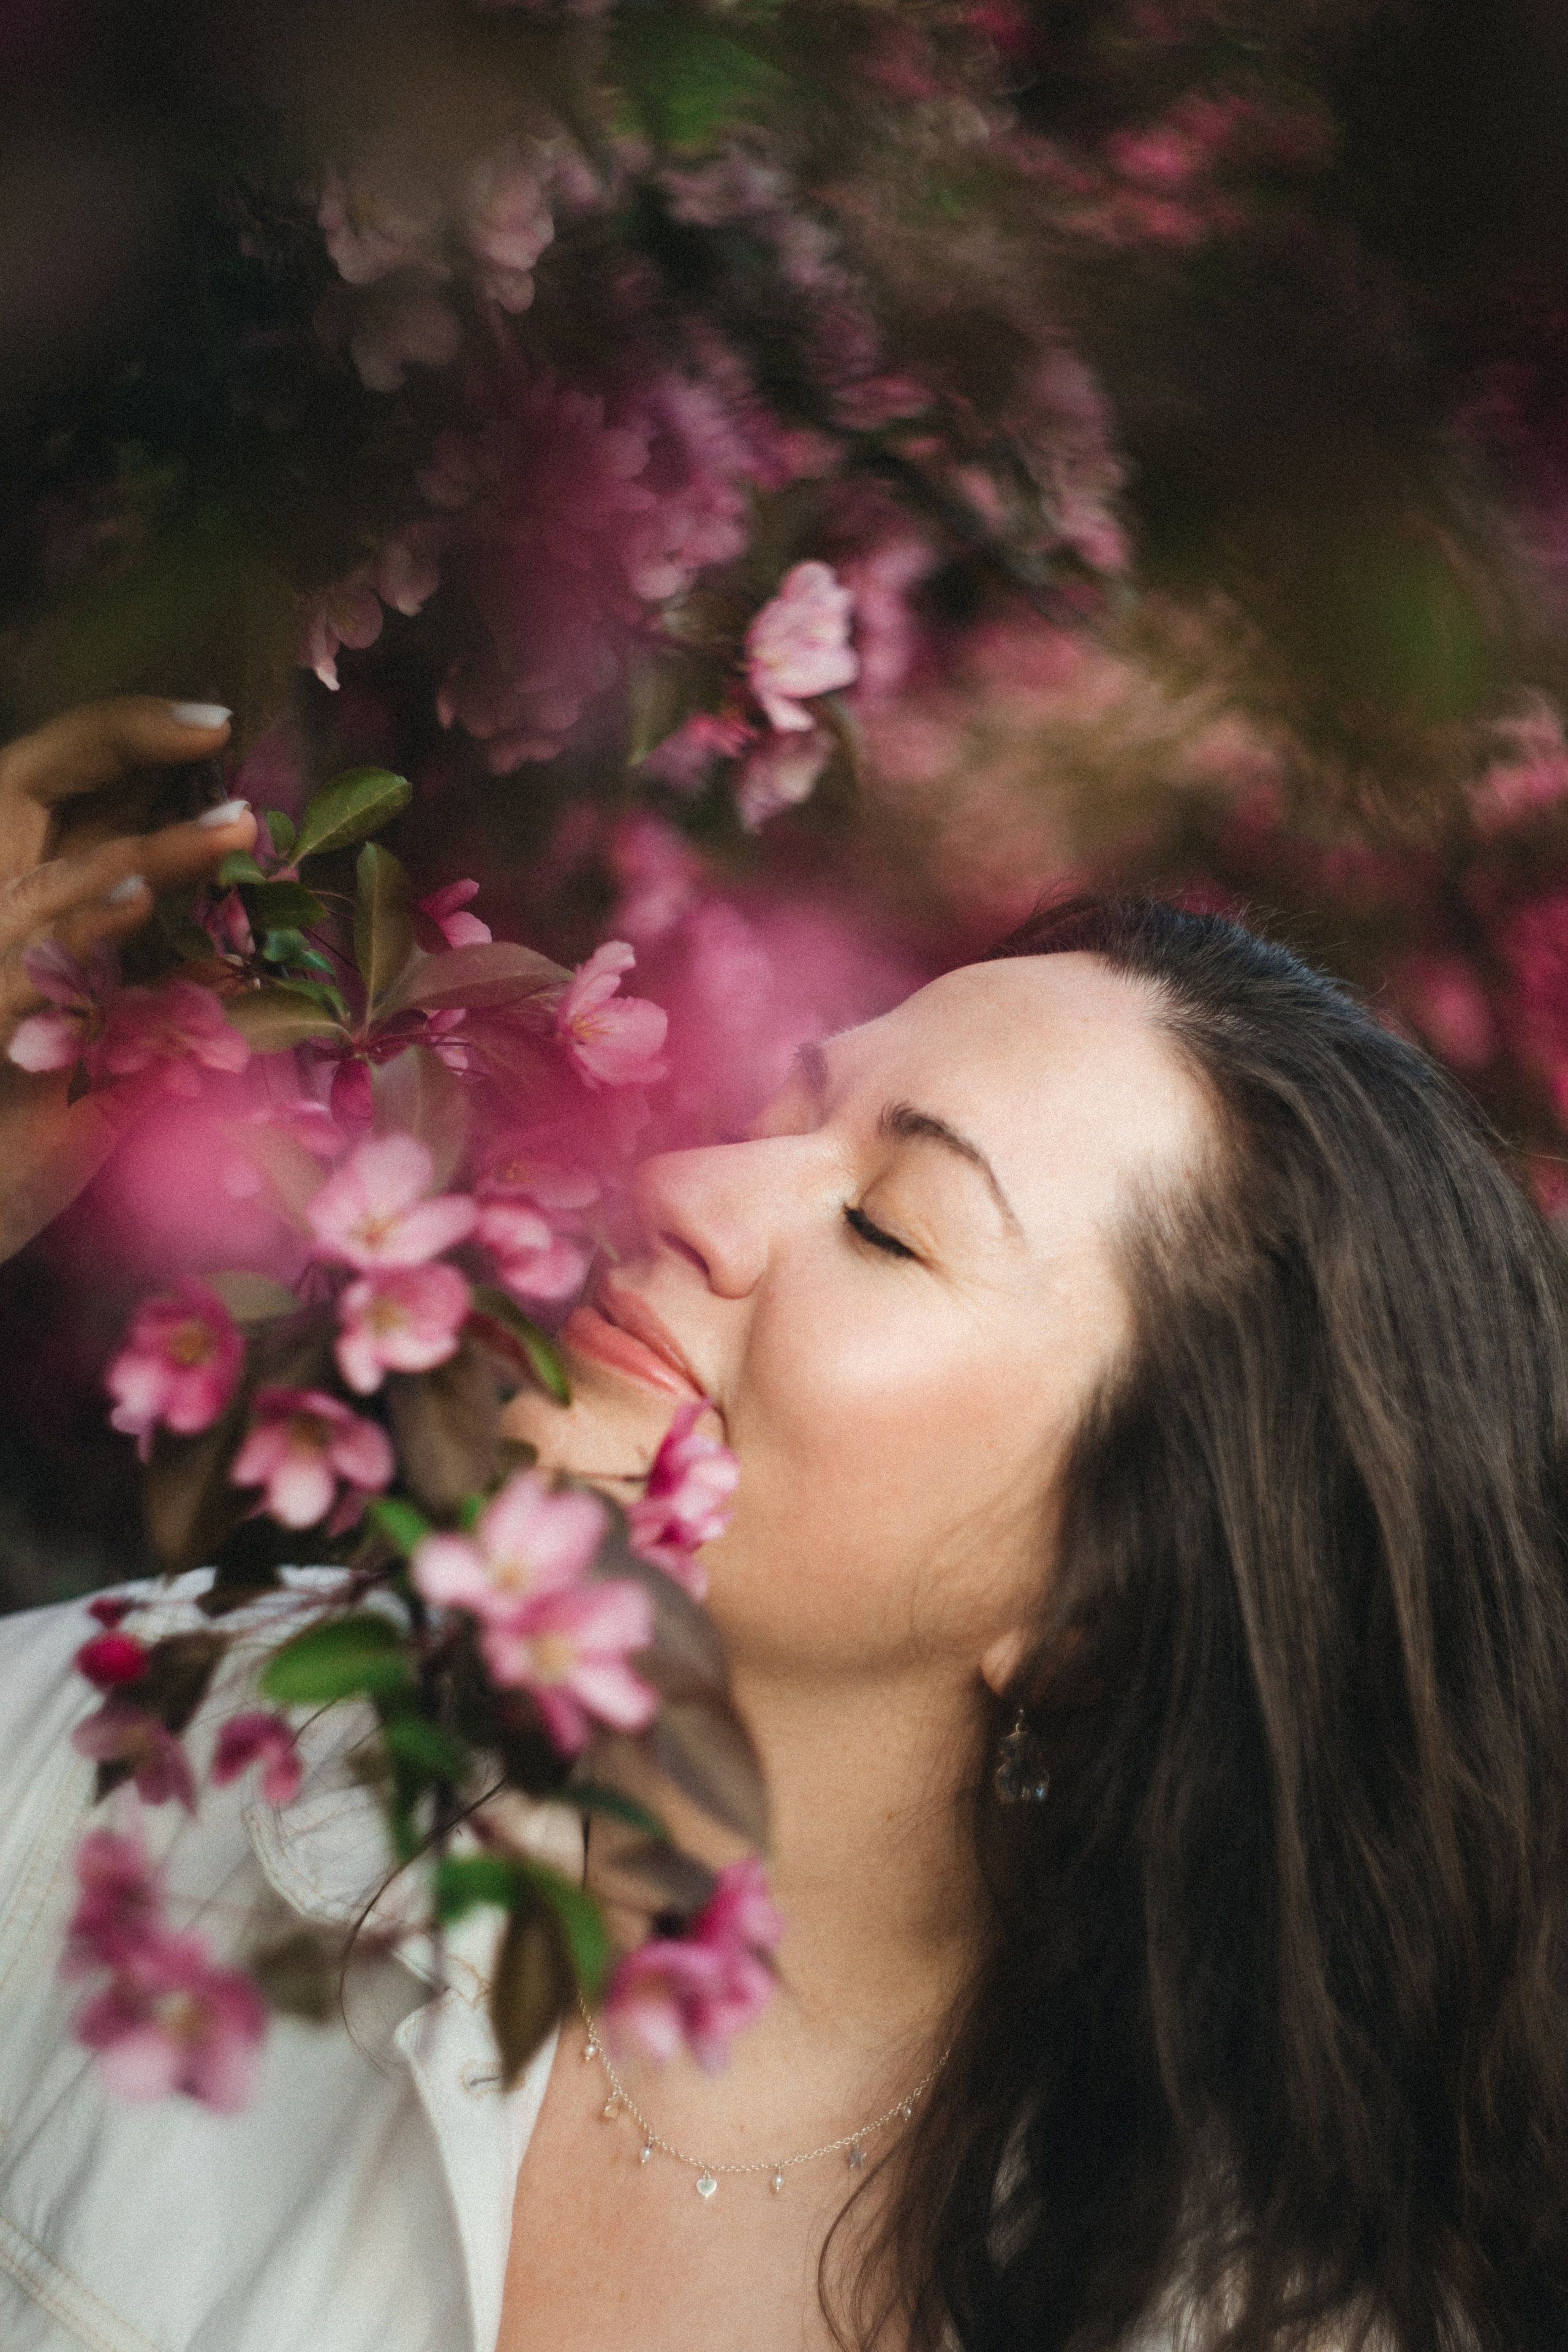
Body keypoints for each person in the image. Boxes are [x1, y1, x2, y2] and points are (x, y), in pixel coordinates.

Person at [0, 701, 1566, 2352]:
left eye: (891, 1230)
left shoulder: (1254, 2313)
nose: (690, 1191)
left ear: (1104, 1602)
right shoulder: (139, 1774)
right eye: (778, 1110)